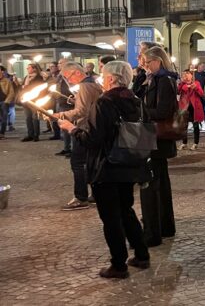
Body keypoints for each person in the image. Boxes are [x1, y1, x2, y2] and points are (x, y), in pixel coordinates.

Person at [57, 61, 151, 279]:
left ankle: (119, 265)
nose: (101, 78)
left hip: (106, 167)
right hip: (128, 163)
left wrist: (71, 128)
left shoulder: (104, 102)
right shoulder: (135, 100)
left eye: (103, 75)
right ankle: (142, 254)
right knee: (126, 210)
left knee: (111, 218)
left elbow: (93, 139)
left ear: (110, 79)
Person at [139, 46, 178, 247]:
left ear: (158, 61)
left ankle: (154, 232)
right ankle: (165, 226)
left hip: (157, 138)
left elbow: (162, 111)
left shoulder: (164, 81)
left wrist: (140, 109)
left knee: (153, 185)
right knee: (160, 184)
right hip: (157, 139)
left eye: (147, 62)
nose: (145, 66)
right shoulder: (155, 79)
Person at [54, 62, 103, 210]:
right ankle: (96, 195)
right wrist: (76, 100)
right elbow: (90, 103)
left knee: (78, 163)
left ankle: (81, 197)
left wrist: (61, 114)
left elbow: (82, 111)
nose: (69, 81)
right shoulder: (92, 83)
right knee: (91, 162)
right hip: (93, 127)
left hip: (84, 128)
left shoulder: (84, 86)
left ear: (76, 72)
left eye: (68, 77)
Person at [178, 70, 205, 151]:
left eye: (187, 74)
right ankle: (184, 143)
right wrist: (182, 83)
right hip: (185, 107)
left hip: (194, 107)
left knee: (196, 126)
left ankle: (195, 143)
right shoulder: (182, 84)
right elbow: (177, 91)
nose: (186, 76)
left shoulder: (196, 83)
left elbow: (201, 94)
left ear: (191, 75)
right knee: (184, 126)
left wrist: (195, 88)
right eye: (184, 74)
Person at [19, 62, 46, 142]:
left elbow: (38, 88)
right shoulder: (26, 77)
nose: (27, 69)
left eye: (29, 67)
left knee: (35, 118)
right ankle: (30, 134)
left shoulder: (39, 77)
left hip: (35, 100)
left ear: (34, 69)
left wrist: (27, 86)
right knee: (28, 118)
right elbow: (23, 87)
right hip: (26, 100)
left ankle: (36, 135)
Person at [54, 58, 74, 156]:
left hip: (69, 103)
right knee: (63, 127)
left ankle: (74, 150)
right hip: (61, 102)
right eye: (58, 63)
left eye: (60, 63)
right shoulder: (60, 76)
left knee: (71, 127)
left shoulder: (70, 75)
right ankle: (67, 148)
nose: (58, 65)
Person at [0, 66, 16, 139]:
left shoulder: (7, 81)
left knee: (4, 118)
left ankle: (2, 133)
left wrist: (6, 101)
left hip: (4, 102)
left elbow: (11, 92)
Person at [194, 63, 205, 132]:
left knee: (203, 110)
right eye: (202, 66)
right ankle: (198, 125)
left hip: (202, 94)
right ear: (198, 66)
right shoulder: (194, 73)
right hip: (195, 95)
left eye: (204, 66)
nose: (203, 67)